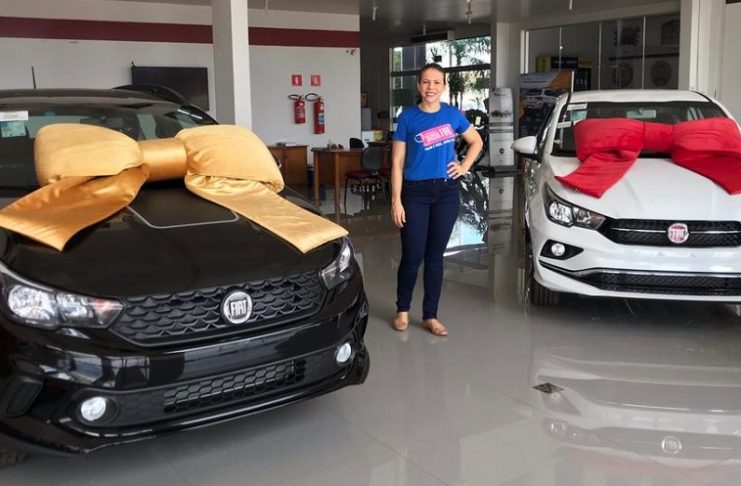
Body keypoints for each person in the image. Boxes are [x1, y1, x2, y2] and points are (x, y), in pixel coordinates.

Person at [390, 63, 484, 336]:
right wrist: (396, 200)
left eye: (436, 82)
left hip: (446, 193)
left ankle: (430, 315)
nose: (431, 87)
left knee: (435, 258)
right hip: (415, 193)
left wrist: (464, 166)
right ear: (419, 86)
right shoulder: (407, 117)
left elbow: (476, 141)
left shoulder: (452, 115)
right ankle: (402, 310)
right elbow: (397, 163)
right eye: (426, 82)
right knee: (412, 256)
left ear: (443, 86)